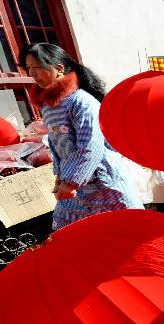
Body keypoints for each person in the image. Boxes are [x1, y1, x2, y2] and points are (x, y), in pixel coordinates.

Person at [21, 43, 143, 230]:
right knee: (67, 233)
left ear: (59, 68)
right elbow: (55, 145)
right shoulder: (48, 106)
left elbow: (90, 146)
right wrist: (60, 176)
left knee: (131, 230)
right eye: (29, 69)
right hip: (77, 188)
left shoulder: (81, 101)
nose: (32, 75)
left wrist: (70, 182)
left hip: (104, 182)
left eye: (36, 68)